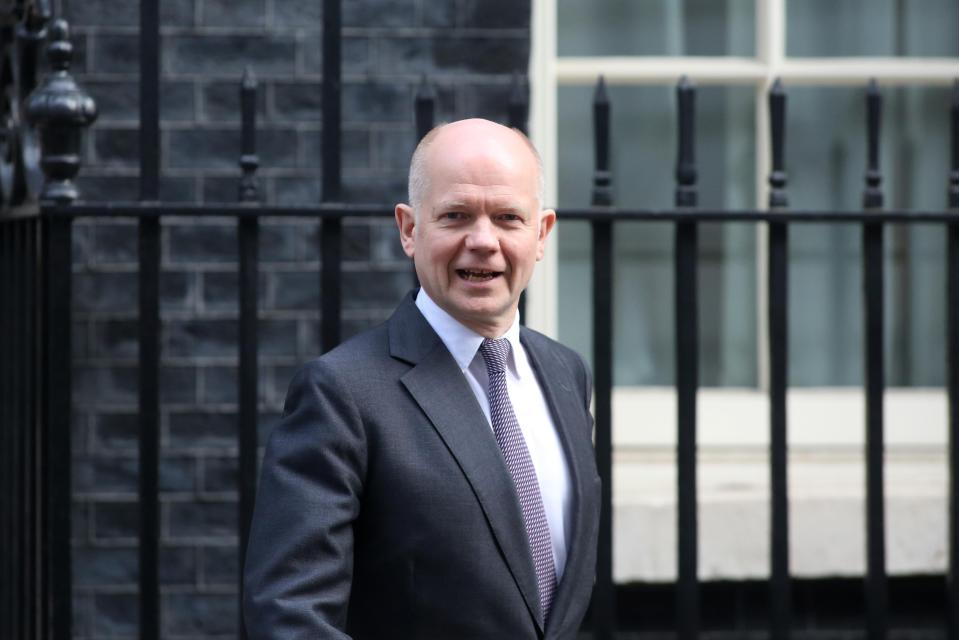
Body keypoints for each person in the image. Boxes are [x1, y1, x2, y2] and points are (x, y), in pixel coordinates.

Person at [243, 118, 600, 639]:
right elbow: (289, 615)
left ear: (541, 233)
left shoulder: (566, 373)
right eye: (456, 216)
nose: (483, 241)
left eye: (507, 218)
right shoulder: (342, 392)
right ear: (410, 229)